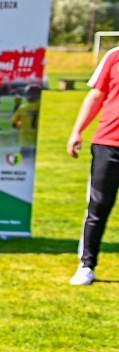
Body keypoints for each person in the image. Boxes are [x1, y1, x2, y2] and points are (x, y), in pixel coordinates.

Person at [68, 45, 119, 285]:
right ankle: (86, 265)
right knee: (97, 207)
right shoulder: (114, 55)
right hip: (108, 144)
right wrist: (77, 131)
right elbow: (97, 95)